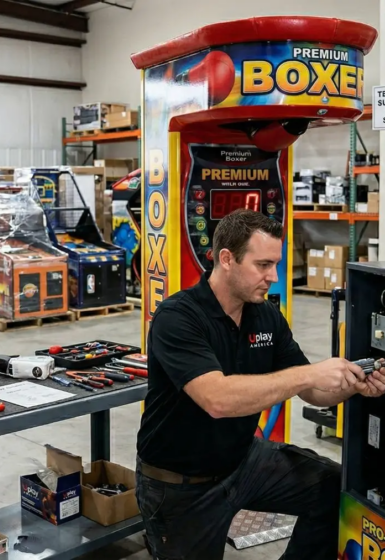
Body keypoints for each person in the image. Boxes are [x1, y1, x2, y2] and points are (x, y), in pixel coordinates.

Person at [135, 209, 385, 560]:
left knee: (333, 487)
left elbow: (312, 392)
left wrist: (353, 384)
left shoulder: (265, 315)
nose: (274, 276)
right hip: (181, 483)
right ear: (226, 259)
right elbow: (217, 400)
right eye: (263, 265)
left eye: (276, 265)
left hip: (242, 461)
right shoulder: (178, 318)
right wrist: (310, 373)